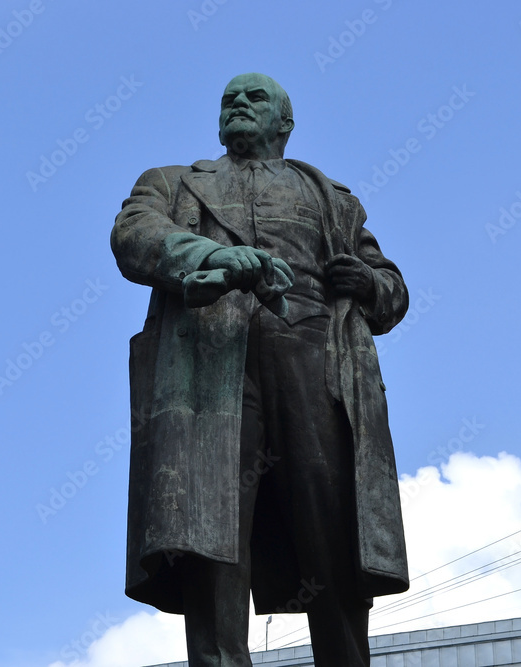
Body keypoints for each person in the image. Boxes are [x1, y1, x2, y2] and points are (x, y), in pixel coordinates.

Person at [111, 73, 410, 667]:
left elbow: (393, 290)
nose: (237, 105)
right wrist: (216, 255)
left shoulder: (332, 198)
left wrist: (369, 284)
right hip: (212, 362)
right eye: (228, 98)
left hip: (316, 359)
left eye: (254, 98)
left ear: (284, 123)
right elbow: (134, 236)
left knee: (332, 523)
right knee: (211, 525)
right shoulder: (171, 183)